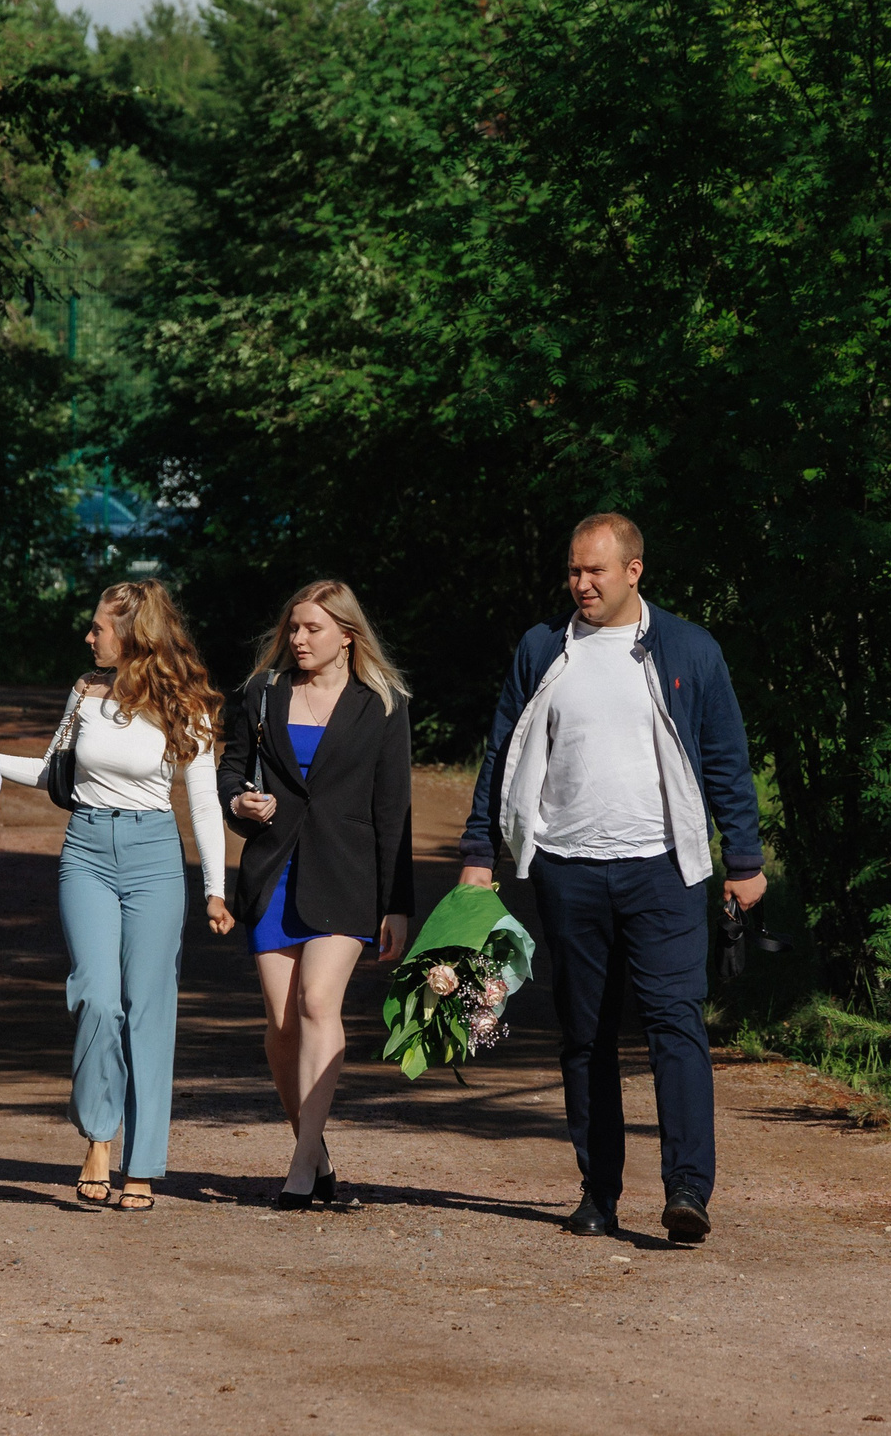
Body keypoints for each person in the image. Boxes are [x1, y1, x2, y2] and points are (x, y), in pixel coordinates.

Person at [456, 513, 766, 1242]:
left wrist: (744, 861)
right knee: (585, 1033)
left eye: (596, 571)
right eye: (573, 570)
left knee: (674, 1024)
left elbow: (725, 757)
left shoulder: (687, 648)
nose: (582, 584)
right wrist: (480, 853)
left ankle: (688, 1189)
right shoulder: (543, 650)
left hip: (665, 872)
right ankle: (598, 1194)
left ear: (635, 571)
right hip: (568, 870)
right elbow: (503, 754)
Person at [0, 581, 234, 1213]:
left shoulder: (188, 704)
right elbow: (53, 772)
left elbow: (204, 804)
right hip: (86, 853)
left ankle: (144, 1161)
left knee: (149, 1005)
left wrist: (215, 888)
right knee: (98, 996)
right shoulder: (84, 693)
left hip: (156, 854)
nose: (89, 636)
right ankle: (99, 1135)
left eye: (98, 627)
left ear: (132, 634)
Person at [218, 580, 414, 1211]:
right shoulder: (262, 692)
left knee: (316, 1001)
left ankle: (301, 1166)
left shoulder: (382, 703)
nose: (299, 640)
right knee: (280, 1025)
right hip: (273, 870)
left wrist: (399, 903)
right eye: (294, 628)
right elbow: (231, 766)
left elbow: (395, 811)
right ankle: (318, 1151)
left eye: (313, 630)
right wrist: (239, 802)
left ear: (346, 637)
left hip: (349, 873)